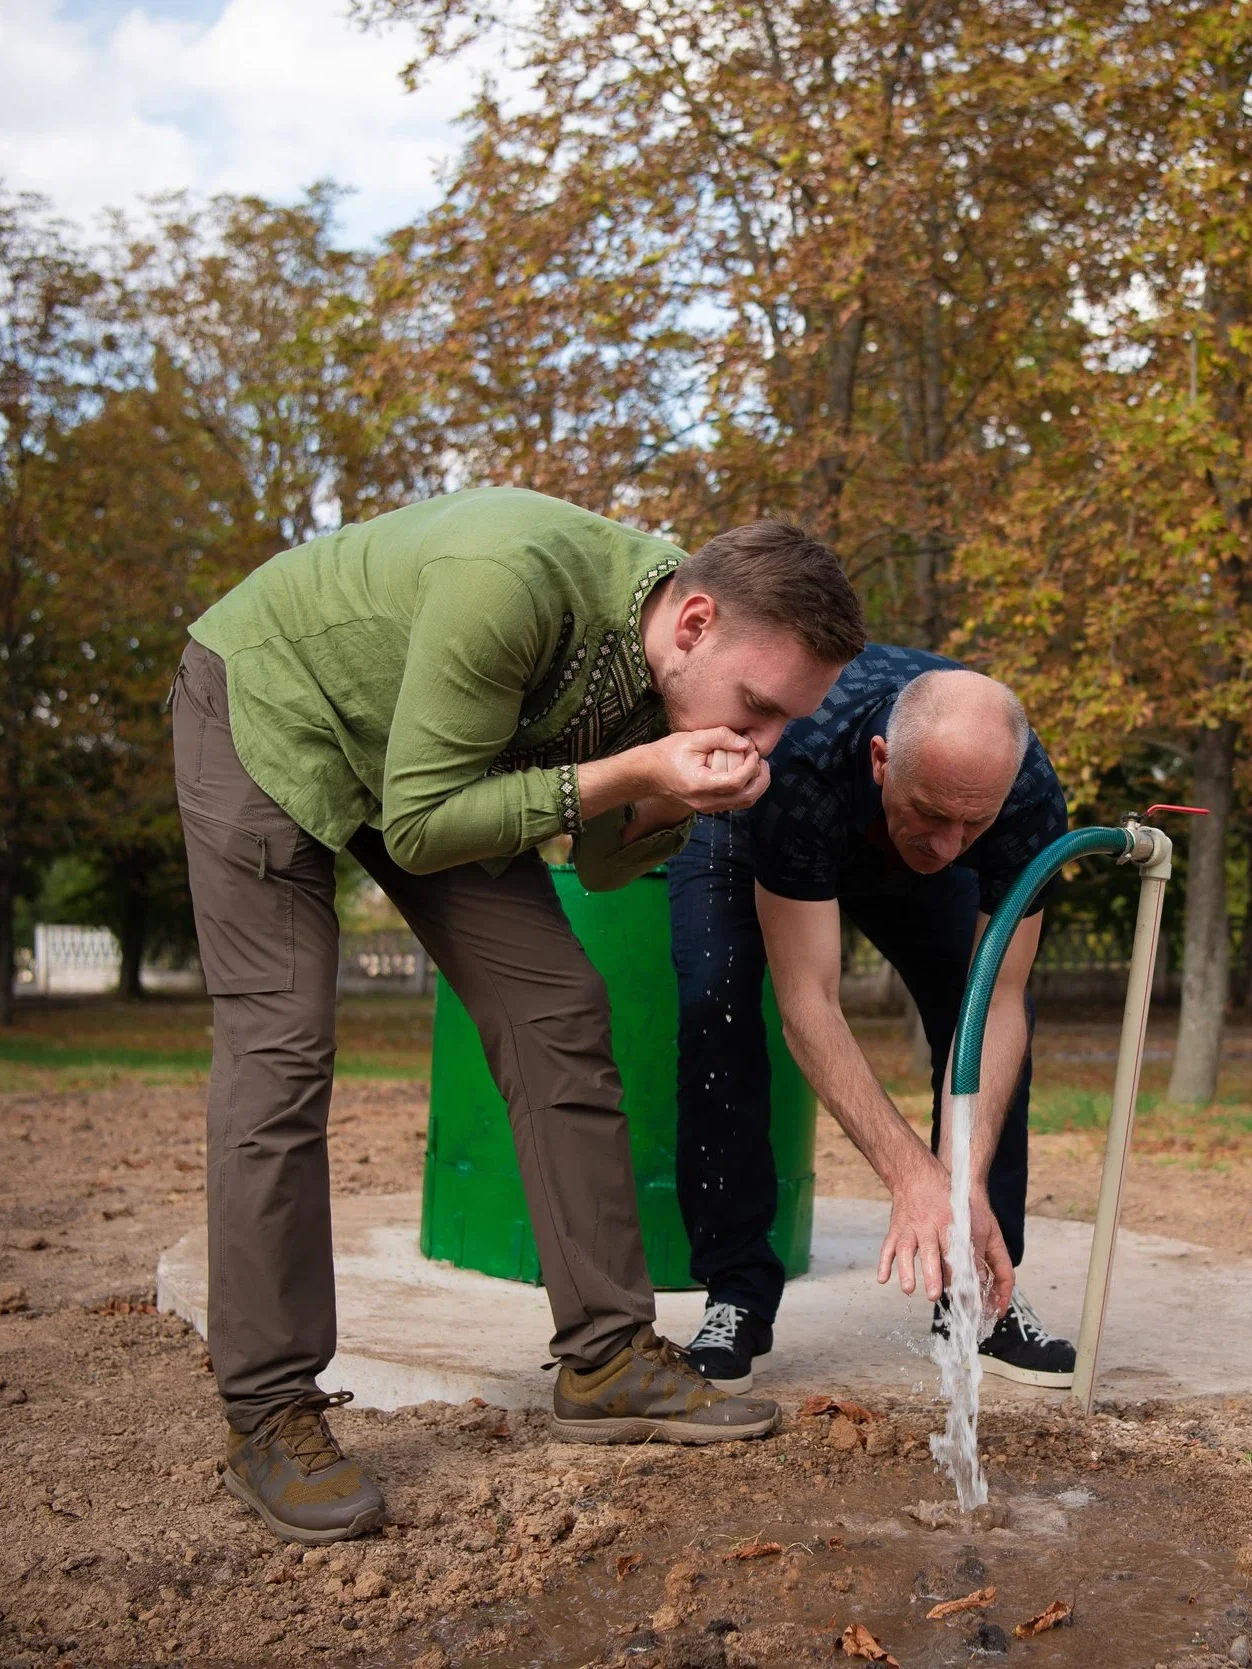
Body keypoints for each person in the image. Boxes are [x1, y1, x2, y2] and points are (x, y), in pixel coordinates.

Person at [172, 488, 864, 1545]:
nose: (764, 735)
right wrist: (637, 767)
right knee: (281, 1051)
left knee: (558, 1008)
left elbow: (596, 850)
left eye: (781, 723)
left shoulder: (673, 671)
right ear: (693, 624)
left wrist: (673, 795)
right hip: (271, 707)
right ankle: (270, 1410)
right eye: (758, 704)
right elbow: (417, 823)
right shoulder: (513, 585)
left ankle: (606, 1357)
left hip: (432, 761)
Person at [668, 646, 1076, 1392]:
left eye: (971, 822)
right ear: (884, 758)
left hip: (894, 834)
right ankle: (737, 1294)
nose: (951, 844)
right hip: (758, 821)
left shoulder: (1026, 801)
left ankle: (977, 1291)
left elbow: (1002, 998)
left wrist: (959, 1183)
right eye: (934, 813)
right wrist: (910, 1176)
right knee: (715, 1002)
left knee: (976, 1004)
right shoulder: (804, 759)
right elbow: (809, 1003)